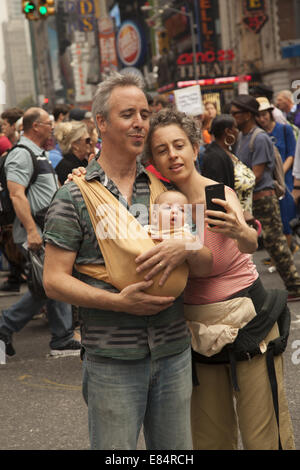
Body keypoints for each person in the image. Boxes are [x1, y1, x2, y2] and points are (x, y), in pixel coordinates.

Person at [43, 73, 213, 450]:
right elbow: (53, 280)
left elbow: (206, 265)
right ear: (100, 122)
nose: (140, 122)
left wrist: (186, 247)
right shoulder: (73, 196)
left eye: (145, 113)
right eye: (128, 114)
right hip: (112, 359)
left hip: (173, 351)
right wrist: (118, 302)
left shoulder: (167, 190)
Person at [143, 108, 295, 450]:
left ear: (196, 148)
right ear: (152, 159)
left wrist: (242, 230)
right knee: (209, 438)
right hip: (195, 329)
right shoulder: (156, 202)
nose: (173, 155)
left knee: (262, 436)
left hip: (247, 319)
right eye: (162, 149)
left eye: (179, 145)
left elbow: (222, 258)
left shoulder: (217, 195)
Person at [0, 107, 81, 358]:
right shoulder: (22, 154)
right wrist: (33, 232)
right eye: (49, 124)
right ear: (36, 127)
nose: (53, 128)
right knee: (49, 285)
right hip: (36, 232)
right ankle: (7, 326)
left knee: (50, 284)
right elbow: (16, 194)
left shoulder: (38, 154)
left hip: (48, 230)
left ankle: (60, 337)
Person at [231, 94, 300, 301]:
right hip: (251, 198)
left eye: (236, 113)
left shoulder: (258, 138)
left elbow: (256, 174)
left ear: (247, 114)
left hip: (263, 197)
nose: (233, 116)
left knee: (276, 242)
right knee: (270, 244)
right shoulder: (241, 137)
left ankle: (295, 285)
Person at [256, 97, 297, 252]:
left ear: (270, 113)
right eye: (258, 115)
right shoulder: (258, 134)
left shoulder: (285, 129)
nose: (262, 118)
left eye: (264, 114)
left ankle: (287, 254)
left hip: (285, 179)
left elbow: (292, 154)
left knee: (288, 217)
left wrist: (280, 172)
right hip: (268, 182)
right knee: (274, 221)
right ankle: (279, 255)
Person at [201, 114, 256, 217]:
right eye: (235, 127)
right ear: (228, 131)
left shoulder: (227, 152)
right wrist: (239, 213)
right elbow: (217, 194)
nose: (237, 131)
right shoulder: (214, 157)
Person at [54, 121, 92, 185]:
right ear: (75, 145)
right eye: (87, 140)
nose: (91, 143)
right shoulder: (65, 167)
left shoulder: (83, 162)